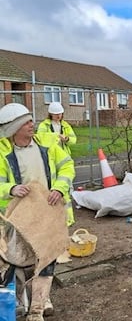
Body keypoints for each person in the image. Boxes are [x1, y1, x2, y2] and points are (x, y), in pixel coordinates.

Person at [0, 103, 75, 321]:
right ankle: (22, 300)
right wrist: (10, 189)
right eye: (26, 122)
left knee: (47, 258)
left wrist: (60, 188)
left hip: (47, 214)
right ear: (14, 128)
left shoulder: (48, 144)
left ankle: (38, 309)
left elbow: (67, 166)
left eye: (31, 120)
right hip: (19, 219)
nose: (32, 125)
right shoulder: (3, 152)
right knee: (19, 261)